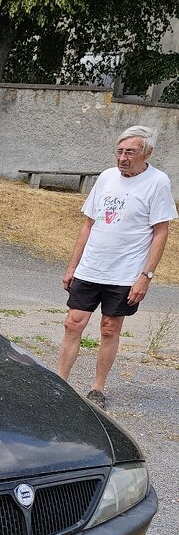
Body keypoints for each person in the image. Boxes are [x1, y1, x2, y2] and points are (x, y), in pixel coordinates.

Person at [57, 125, 176, 409]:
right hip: (91, 267)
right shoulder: (107, 177)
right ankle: (59, 382)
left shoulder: (158, 182)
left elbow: (161, 232)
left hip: (125, 273)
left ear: (147, 153)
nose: (122, 158)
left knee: (110, 328)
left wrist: (145, 276)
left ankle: (98, 387)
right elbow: (88, 224)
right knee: (73, 323)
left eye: (130, 152)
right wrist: (72, 266)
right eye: (119, 151)